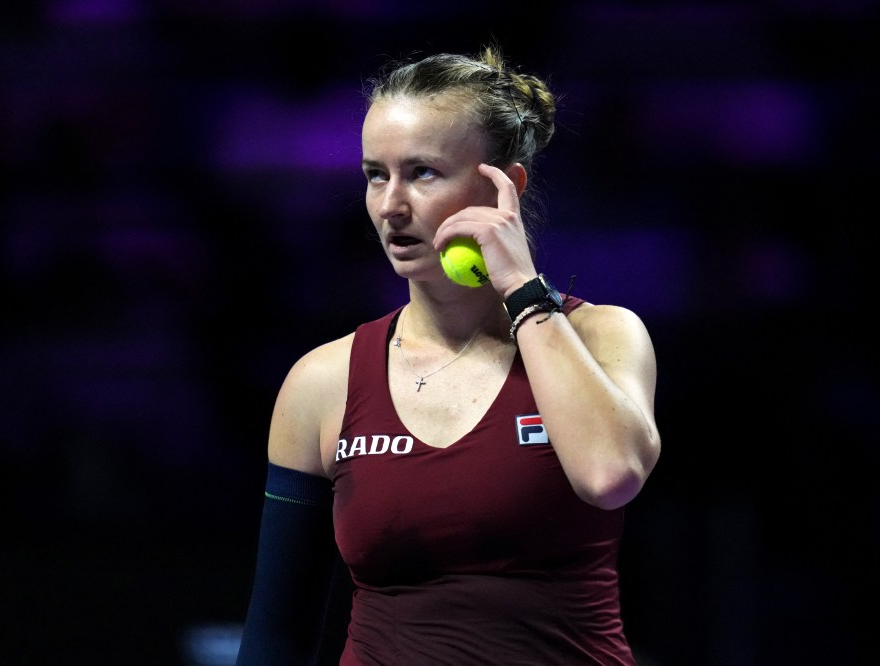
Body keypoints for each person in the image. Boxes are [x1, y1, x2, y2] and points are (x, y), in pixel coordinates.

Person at [235, 45, 661, 666]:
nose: (391, 205)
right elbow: (277, 638)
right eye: (376, 174)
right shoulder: (322, 381)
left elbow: (610, 475)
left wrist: (522, 290)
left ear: (505, 186)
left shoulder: (602, 336)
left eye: (423, 173)